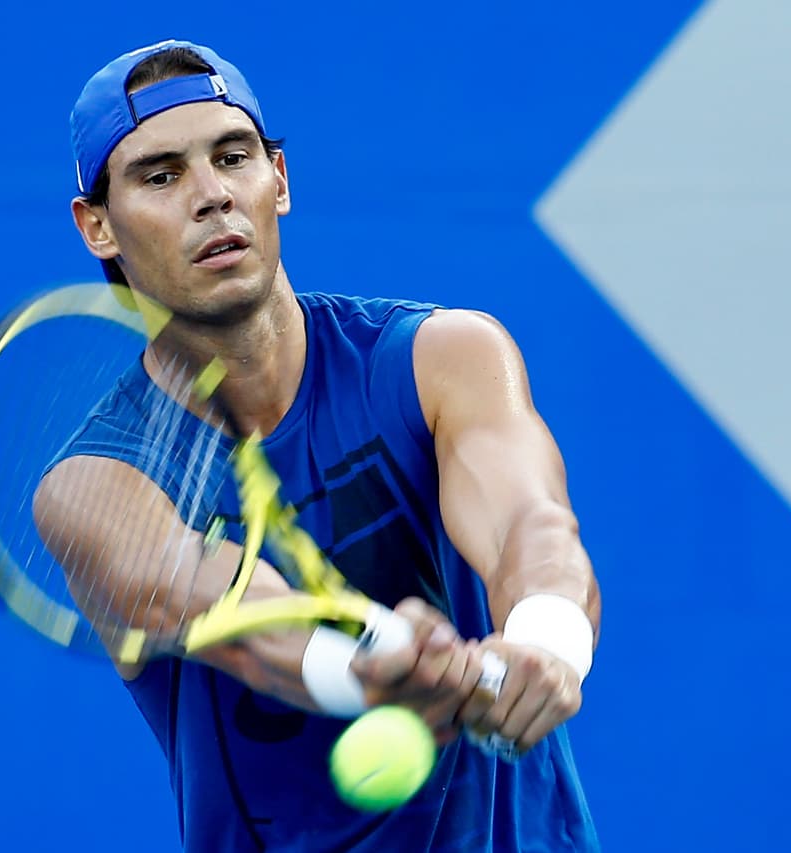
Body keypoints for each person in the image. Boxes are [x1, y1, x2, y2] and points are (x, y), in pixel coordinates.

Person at [35, 39, 602, 852]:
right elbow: (234, 615)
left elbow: (531, 525)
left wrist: (545, 644)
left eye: (233, 158)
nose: (212, 196)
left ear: (280, 180)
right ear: (98, 226)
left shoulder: (444, 358)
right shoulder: (93, 487)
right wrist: (360, 667)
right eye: (161, 176)